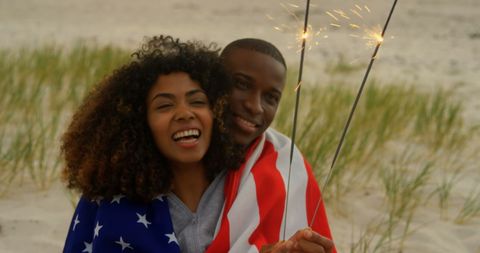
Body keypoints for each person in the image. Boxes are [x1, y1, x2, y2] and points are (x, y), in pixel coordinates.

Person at [61, 35, 244, 253]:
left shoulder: (248, 186)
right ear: (140, 123)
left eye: (197, 102)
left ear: (217, 112)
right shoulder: (108, 206)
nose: (185, 113)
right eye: (164, 106)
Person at [206, 38, 336, 253]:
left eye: (271, 98)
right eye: (241, 85)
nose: (255, 106)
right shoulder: (173, 148)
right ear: (211, 82)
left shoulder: (287, 167)